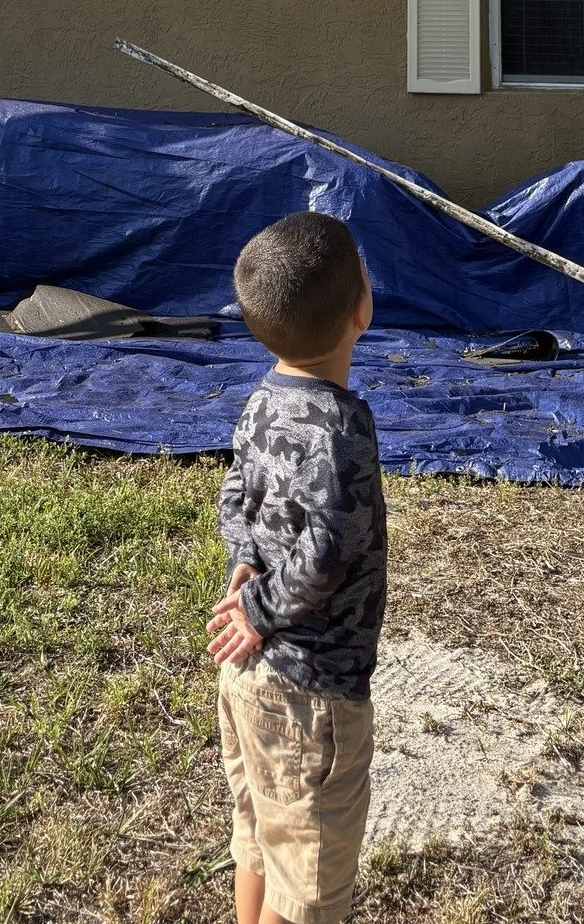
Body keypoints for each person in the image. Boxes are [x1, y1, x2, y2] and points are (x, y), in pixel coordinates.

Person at [208, 211, 386, 924]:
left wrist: (244, 562)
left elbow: (234, 493)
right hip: (311, 695)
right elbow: (329, 551)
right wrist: (258, 609)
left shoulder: (260, 402)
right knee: (306, 883)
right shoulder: (343, 429)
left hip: (247, 679)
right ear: (361, 311)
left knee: (257, 836)